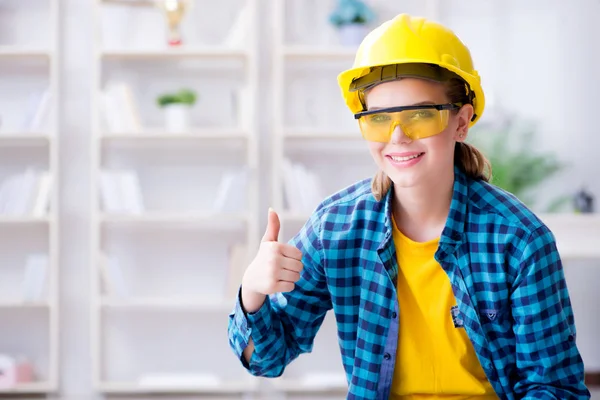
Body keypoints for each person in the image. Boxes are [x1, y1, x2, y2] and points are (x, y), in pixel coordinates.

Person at [227, 13, 591, 399]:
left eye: (419, 114)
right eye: (379, 118)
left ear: (462, 121)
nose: (397, 136)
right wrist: (253, 291)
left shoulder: (520, 240)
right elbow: (267, 359)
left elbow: (556, 388)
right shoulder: (334, 229)